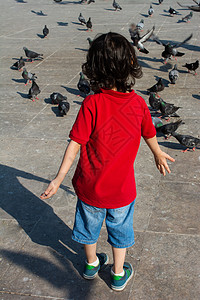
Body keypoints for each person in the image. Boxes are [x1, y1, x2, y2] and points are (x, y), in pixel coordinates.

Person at [40, 32, 175, 292]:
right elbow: (149, 132)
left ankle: (91, 264)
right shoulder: (138, 104)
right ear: (130, 66)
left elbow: (75, 145)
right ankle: (117, 272)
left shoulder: (92, 103)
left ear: (93, 68)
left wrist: (58, 179)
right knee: (120, 229)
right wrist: (157, 153)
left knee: (88, 225)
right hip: (122, 190)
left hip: (89, 187)